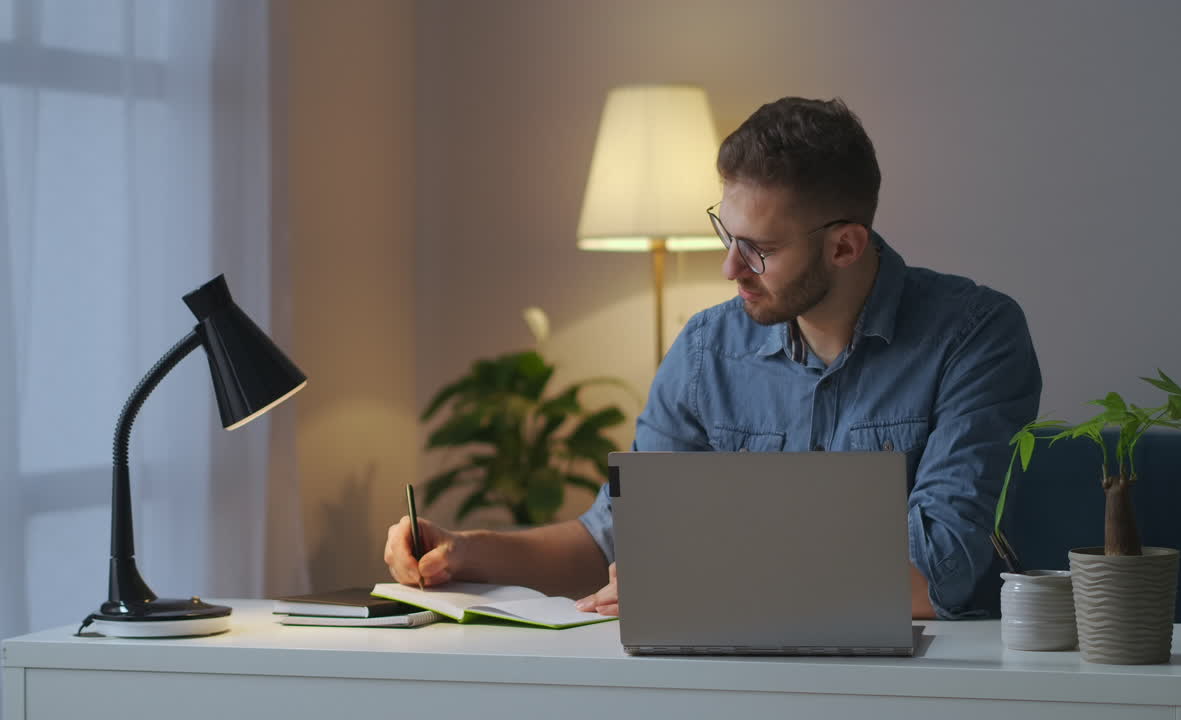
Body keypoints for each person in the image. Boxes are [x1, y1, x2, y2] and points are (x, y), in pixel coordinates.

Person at [385, 97, 1041, 620]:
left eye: (758, 250)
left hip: (928, 684)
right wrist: (467, 553)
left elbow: (935, 574)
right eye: (726, 233)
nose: (730, 269)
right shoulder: (707, 349)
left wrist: (693, 583)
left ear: (844, 246)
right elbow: (618, 539)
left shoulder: (975, 336)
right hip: (730, 680)